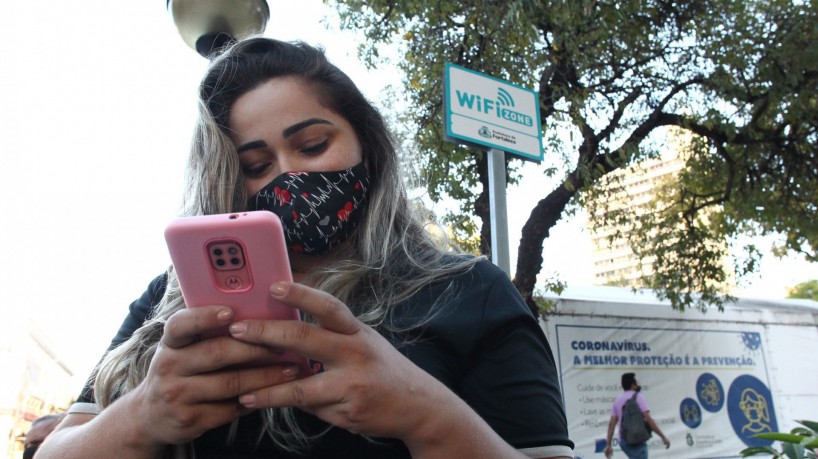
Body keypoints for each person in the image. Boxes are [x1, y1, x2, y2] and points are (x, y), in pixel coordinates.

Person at [36, 37, 573, 459]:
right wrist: (143, 414)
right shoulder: (172, 301)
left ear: (367, 145)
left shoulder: (468, 290)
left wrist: (425, 415)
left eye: (313, 145)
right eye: (255, 166)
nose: (289, 176)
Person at [604, 373, 670, 459]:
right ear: (633, 385)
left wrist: (609, 444)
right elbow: (649, 419)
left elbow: (611, 425)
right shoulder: (639, 397)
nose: (638, 385)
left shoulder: (617, 400)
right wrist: (663, 437)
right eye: (636, 383)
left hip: (624, 441)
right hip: (637, 439)